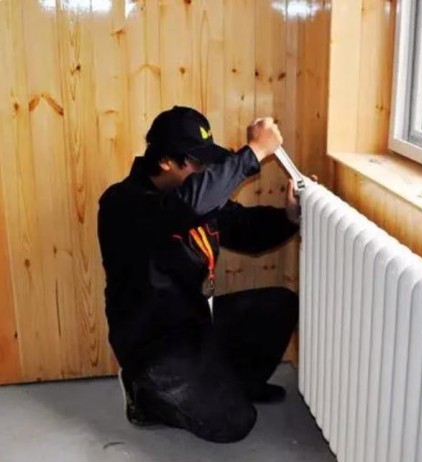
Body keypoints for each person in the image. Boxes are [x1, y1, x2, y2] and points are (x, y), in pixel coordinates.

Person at [97, 106, 300, 443]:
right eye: (196, 162)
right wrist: (254, 152)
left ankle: (236, 385)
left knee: (279, 305)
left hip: (194, 325)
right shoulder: (122, 204)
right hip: (155, 346)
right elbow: (185, 208)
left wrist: (288, 218)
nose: (205, 169)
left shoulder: (196, 196)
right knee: (235, 423)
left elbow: (245, 229)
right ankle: (145, 396)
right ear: (166, 161)